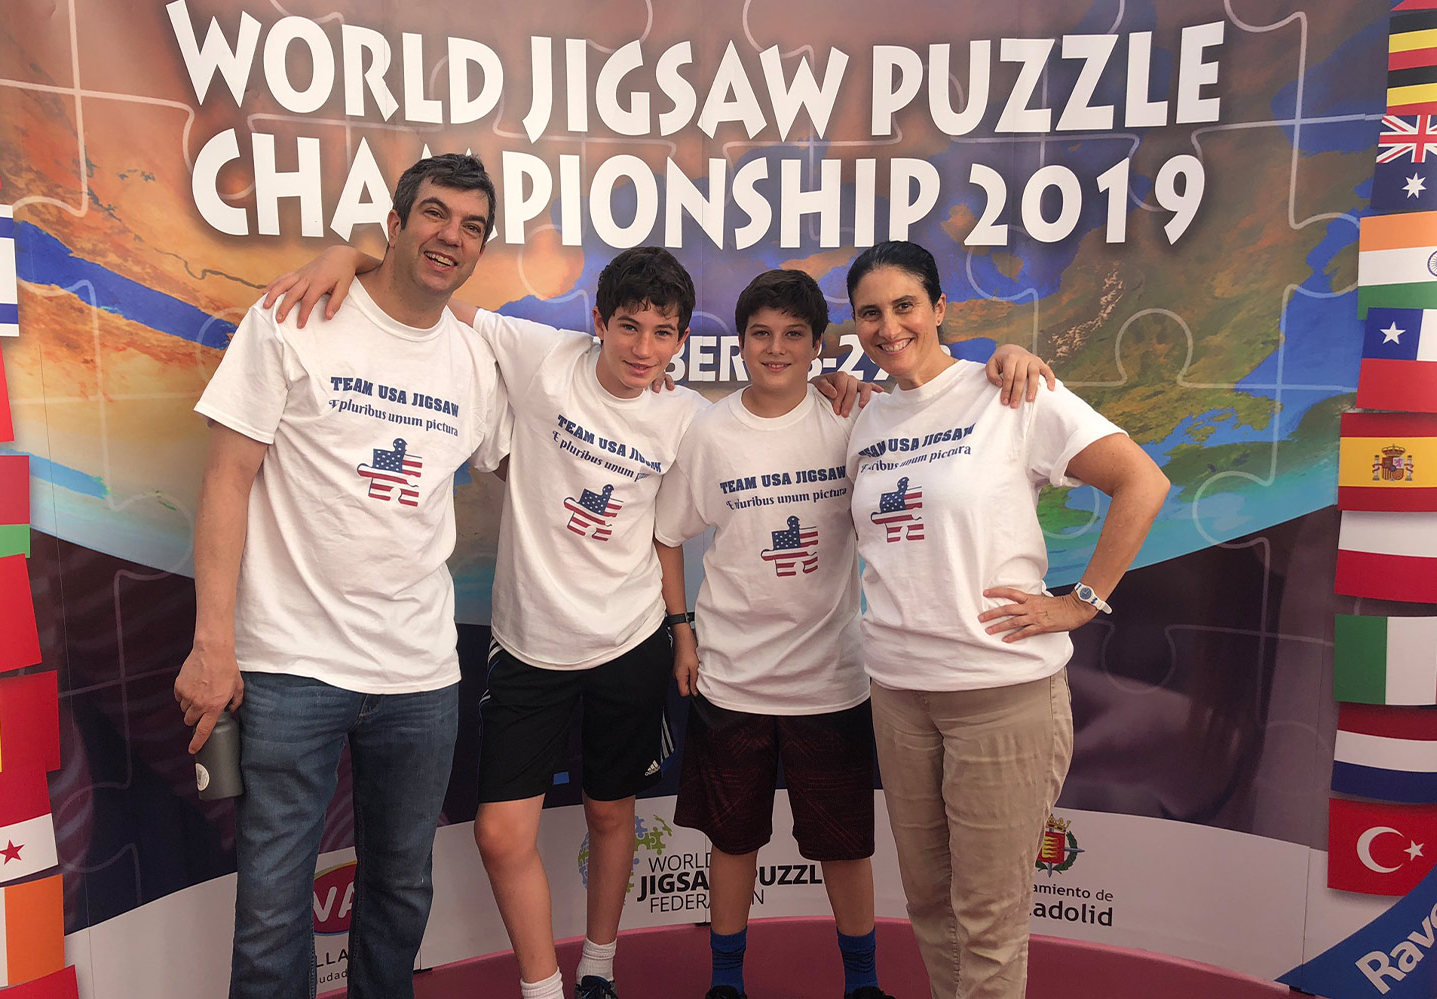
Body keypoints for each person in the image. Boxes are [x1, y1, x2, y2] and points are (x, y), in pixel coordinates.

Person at [263, 247, 1049, 999]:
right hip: (604, 658)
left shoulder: (781, 420)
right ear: (600, 321)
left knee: (744, 831)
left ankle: (694, 972)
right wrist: (351, 256)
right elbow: (435, 289)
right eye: (630, 325)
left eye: (664, 331)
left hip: (726, 662)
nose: (644, 346)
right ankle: (625, 981)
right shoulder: (588, 376)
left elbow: (912, 417)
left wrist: (998, 358)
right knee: (569, 835)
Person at [655, 270, 1054, 999]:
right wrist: (682, 631)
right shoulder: (708, 433)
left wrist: (1012, 353)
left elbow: (915, 435)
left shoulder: (853, 420)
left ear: (817, 346)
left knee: (844, 841)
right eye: (761, 334)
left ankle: (863, 984)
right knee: (732, 838)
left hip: (834, 678)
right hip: (731, 677)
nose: (776, 349)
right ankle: (725, 982)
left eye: (794, 335)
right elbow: (668, 533)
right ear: (740, 341)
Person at [172, 154, 510, 999]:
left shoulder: (473, 360)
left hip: (421, 674)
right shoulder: (294, 317)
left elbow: (579, 412)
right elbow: (225, 480)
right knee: (272, 911)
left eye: (472, 227)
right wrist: (213, 643)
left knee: (400, 895)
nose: (451, 237)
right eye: (434, 215)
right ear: (393, 225)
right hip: (290, 664)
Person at [841, 240, 1169, 999]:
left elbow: (1141, 482)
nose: (889, 326)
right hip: (899, 696)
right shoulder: (864, 419)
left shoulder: (1011, 392)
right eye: (870, 313)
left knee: (987, 918)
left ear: (938, 309)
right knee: (930, 906)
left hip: (1001, 698)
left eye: (904, 306)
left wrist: (1079, 602)